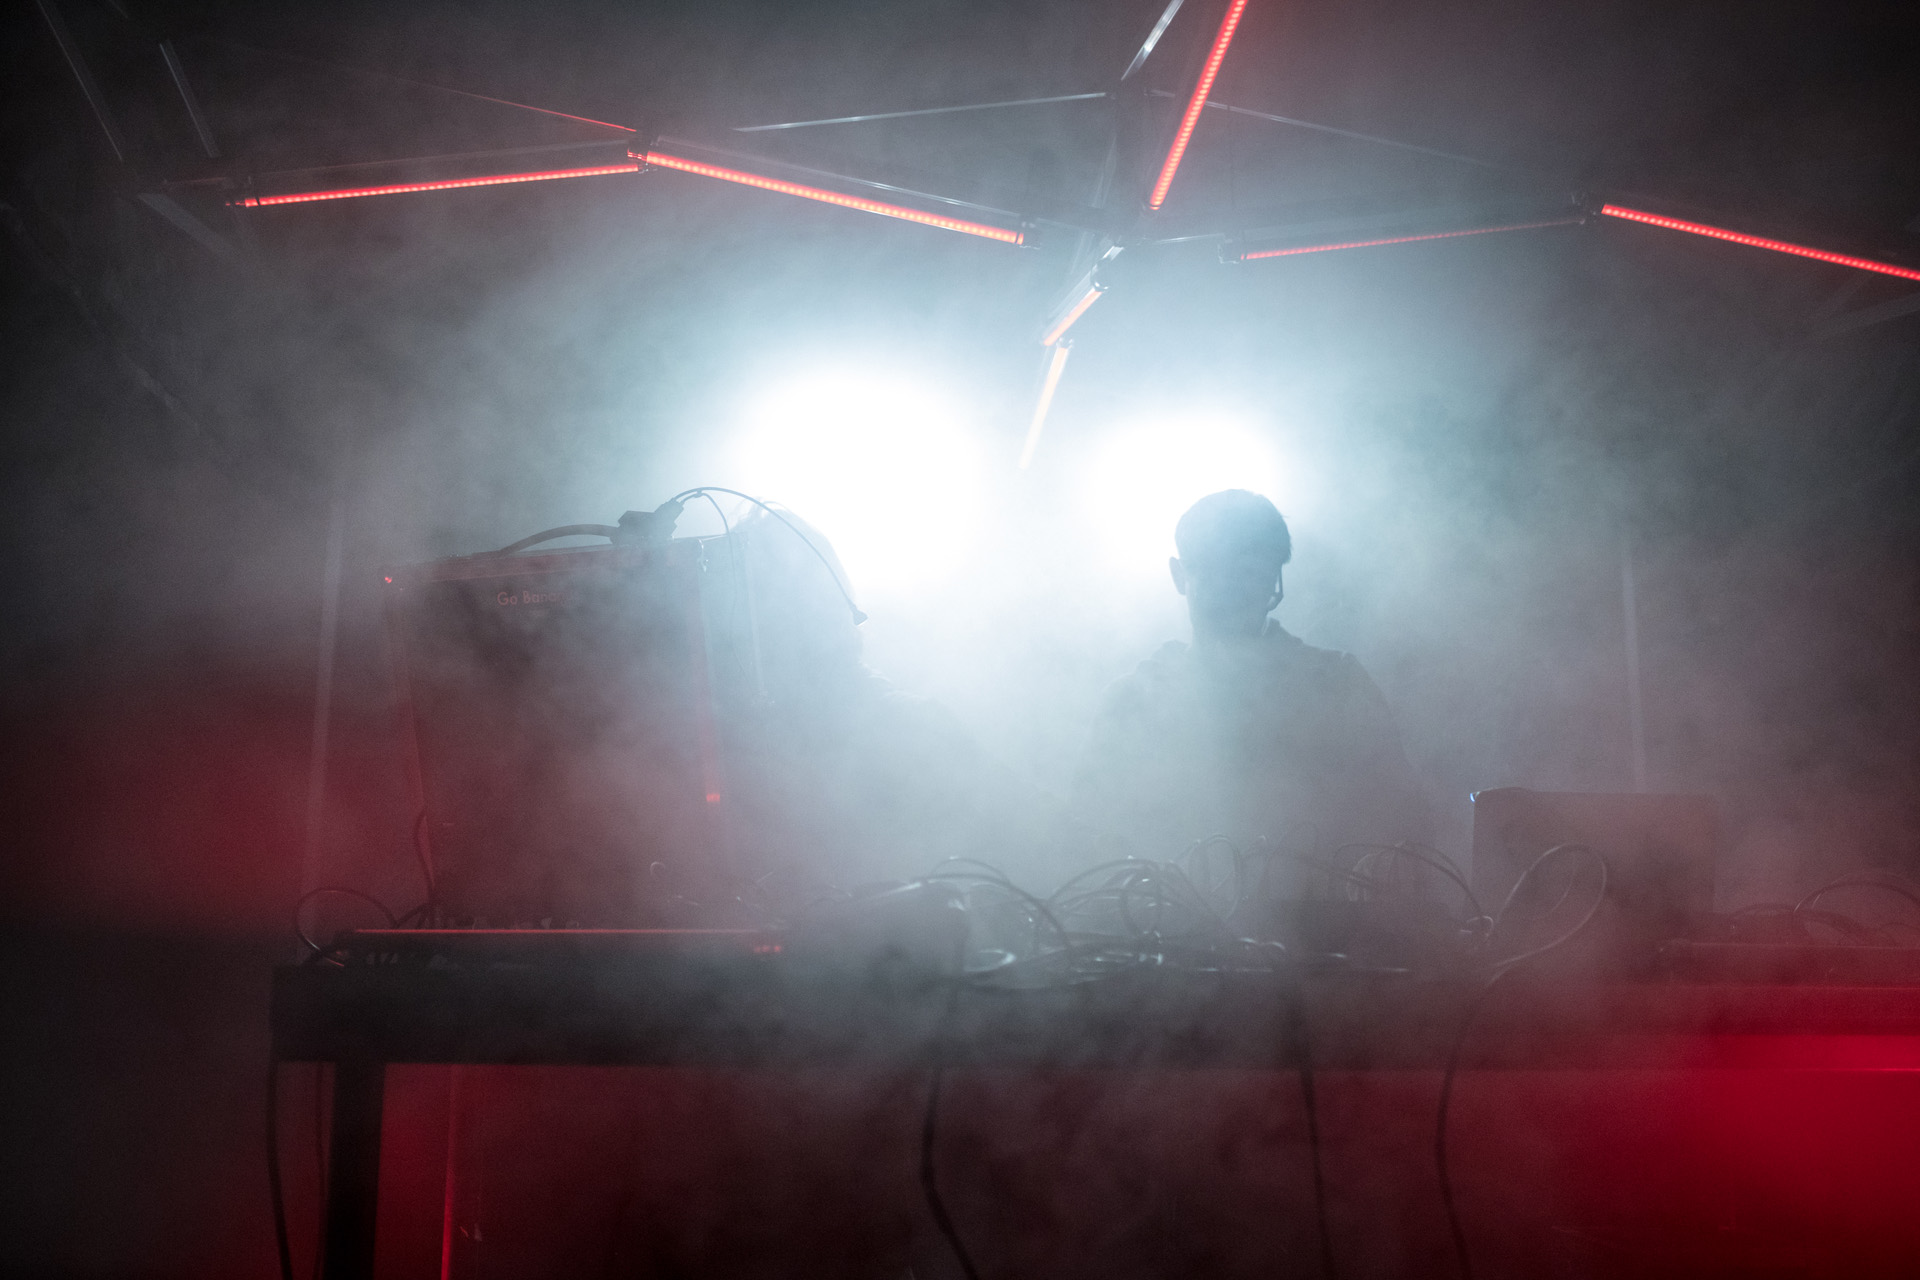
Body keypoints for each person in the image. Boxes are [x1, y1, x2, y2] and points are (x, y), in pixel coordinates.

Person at [1072, 489, 1427, 877]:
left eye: (1250, 574)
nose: (1233, 591)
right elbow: (1085, 835)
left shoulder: (1338, 687)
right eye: (1216, 571)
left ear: (1274, 578)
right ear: (1179, 575)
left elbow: (1406, 819)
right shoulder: (1133, 703)